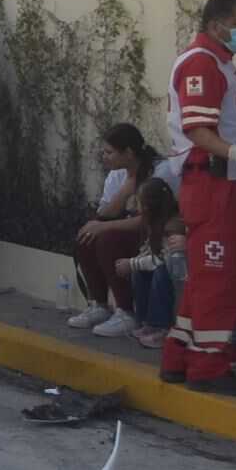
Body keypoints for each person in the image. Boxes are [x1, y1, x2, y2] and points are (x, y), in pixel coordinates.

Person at [161, 0, 236, 394]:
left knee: (205, 276)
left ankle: (179, 356)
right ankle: (209, 367)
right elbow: (197, 128)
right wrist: (235, 152)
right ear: (215, 24)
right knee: (219, 277)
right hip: (212, 179)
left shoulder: (218, 62)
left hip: (217, 180)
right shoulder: (203, 62)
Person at [69, 122, 161, 334]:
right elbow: (105, 213)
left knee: (106, 238)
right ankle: (99, 305)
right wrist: (128, 186)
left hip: (157, 234)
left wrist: (104, 228)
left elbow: (150, 220)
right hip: (133, 229)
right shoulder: (118, 174)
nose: (104, 156)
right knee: (87, 236)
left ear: (128, 152)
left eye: (109, 152)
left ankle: (126, 312)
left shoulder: (159, 171)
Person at [120, 179, 185, 348]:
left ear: (149, 206)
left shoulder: (173, 225)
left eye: (139, 203)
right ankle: (146, 323)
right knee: (140, 272)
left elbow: (162, 259)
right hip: (168, 268)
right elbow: (151, 250)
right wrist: (137, 261)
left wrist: (132, 263)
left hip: (180, 273)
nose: (136, 208)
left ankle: (160, 327)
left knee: (160, 272)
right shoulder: (156, 223)